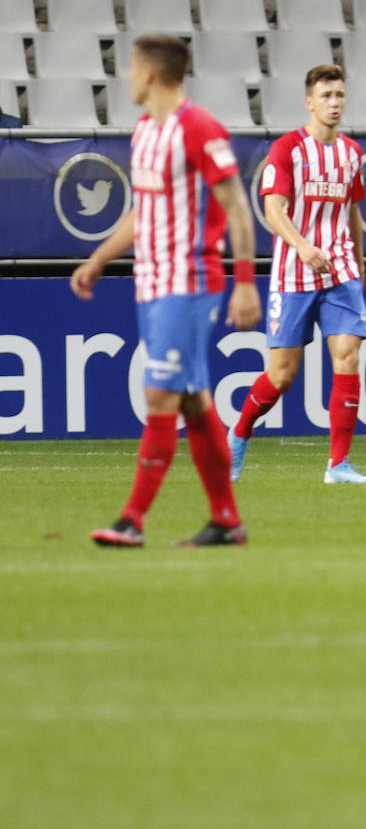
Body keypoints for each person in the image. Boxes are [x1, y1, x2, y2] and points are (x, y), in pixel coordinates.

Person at [71, 34, 262, 548]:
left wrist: (245, 281)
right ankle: (226, 520)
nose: (127, 77)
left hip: (190, 279)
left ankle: (132, 519)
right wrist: (98, 258)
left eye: (131, 68)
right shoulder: (143, 132)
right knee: (195, 401)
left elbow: (239, 209)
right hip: (151, 282)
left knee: (159, 393)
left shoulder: (199, 129)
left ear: (151, 73)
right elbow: (143, 212)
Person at [227, 64, 366, 484]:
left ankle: (338, 465)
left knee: (347, 358)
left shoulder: (352, 153)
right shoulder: (288, 148)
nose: (334, 103)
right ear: (309, 102)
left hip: (340, 270)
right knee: (282, 375)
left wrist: (359, 263)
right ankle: (238, 434)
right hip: (294, 272)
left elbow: (352, 211)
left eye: (340, 95)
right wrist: (303, 247)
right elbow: (273, 210)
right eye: (326, 96)